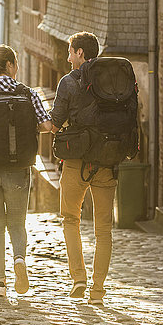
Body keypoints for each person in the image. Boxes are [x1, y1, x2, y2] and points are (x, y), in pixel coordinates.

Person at [0, 45, 52, 297]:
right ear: (11, 66)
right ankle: (19, 259)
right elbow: (46, 125)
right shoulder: (28, 93)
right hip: (19, 169)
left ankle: (0, 283)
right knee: (17, 222)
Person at [50, 31, 124, 306]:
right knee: (103, 229)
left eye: (70, 52)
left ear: (80, 53)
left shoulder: (69, 82)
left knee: (71, 219)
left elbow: (55, 123)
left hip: (76, 160)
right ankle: (98, 290)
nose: (68, 58)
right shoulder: (116, 80)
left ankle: (78, 277)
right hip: (107, 160)